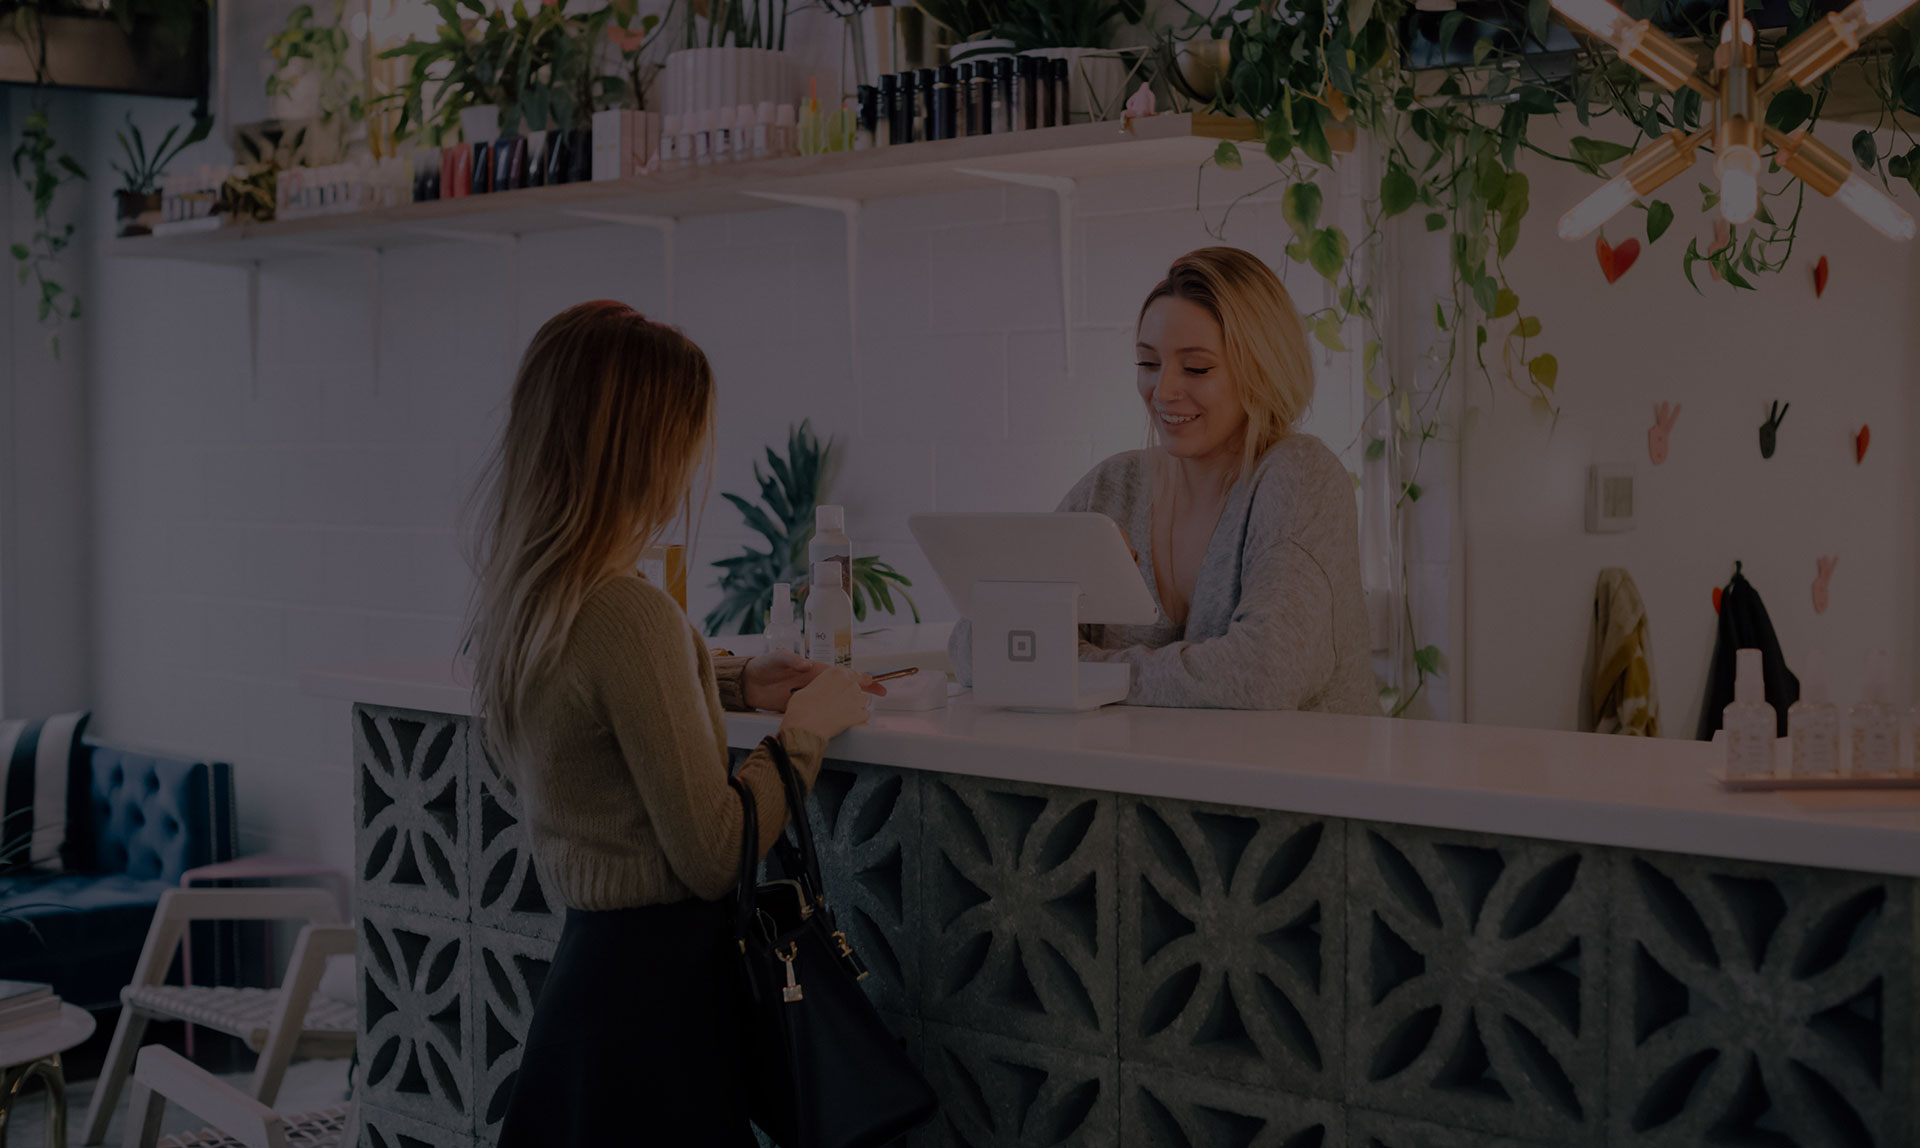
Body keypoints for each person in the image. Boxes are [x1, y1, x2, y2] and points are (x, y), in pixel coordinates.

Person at [466, 301, 880, 1146]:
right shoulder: (629, 613)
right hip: (657, 1015)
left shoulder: (535, 597)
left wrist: (732, 681)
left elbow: (598, 697)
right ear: (648, 449)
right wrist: (805, 730)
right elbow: (713, 851)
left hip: (588, 989)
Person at [951, 246, 1376, 713]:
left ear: (1263, 369)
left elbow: (1264, 674)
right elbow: (974, 650)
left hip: (1292, 763)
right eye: (1149, 364)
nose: (1163, 390)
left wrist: (1079, 670)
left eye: (1196, 368)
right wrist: (1056, 589)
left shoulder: (1300, 476)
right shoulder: (1113, 487)